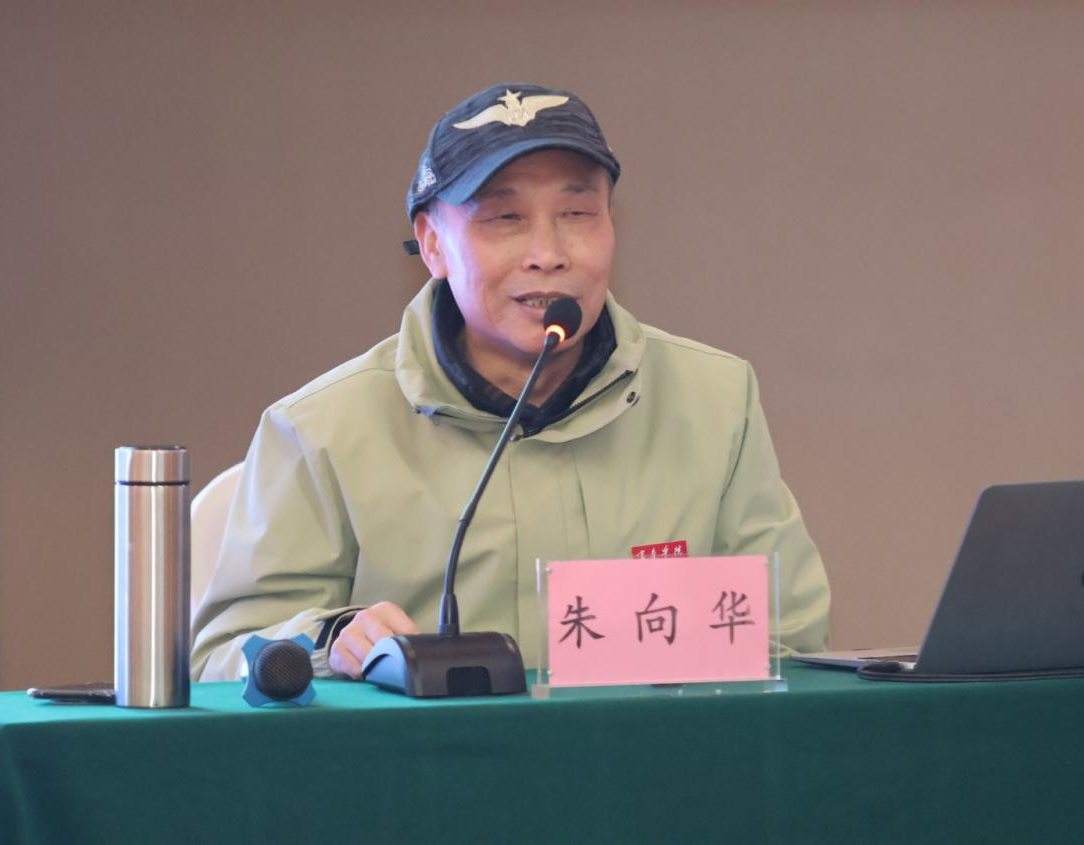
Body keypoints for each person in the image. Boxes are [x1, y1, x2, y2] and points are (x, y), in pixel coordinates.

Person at [191, 82, 830, 682]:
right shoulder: (320, 429)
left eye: (577, 212)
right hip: (429, 762)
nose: (548, 253)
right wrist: (332, 641)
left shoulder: (716, 400)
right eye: (505, 218)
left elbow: (791, 638)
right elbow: (223, 658)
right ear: (432, 244)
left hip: (646, 756)